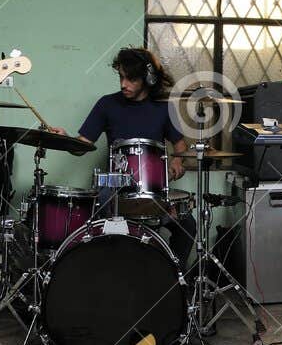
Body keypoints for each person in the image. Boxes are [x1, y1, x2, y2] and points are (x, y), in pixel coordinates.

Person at [70, 47, 195, 262]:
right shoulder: (107, 104)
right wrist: (65, 140)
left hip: (152, 191)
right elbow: (82, 146)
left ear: (147, 79)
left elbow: (181, 146)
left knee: (187, 225)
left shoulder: (164, 108)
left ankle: (173, 279)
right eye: (121, 77)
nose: (123, 84)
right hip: (114, 191)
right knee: (97, 220)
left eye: (131, 79)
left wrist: (177, 159)